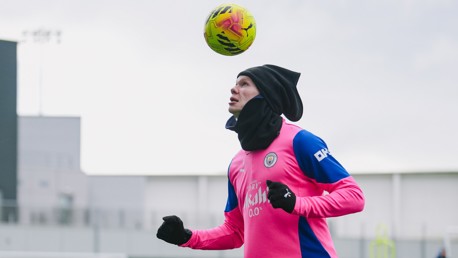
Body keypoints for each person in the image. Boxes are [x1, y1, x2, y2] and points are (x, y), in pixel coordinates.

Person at [156, 64, 365, 258]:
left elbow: (354, 197)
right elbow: (235, 231)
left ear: (267, 96)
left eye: (244, 84)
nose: (234, 89)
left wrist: (297, 203)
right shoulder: (236, 164)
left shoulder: (299, 141)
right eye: (235, 83)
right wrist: (187, 237)